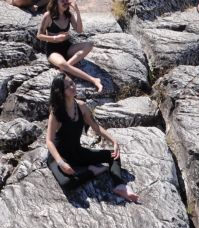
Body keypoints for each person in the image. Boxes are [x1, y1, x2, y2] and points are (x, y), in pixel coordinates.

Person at [46, 74, 139, 202]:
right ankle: (93, 171)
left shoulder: (82, 107)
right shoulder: (56, 112)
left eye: (72, 83)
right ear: (61, 92)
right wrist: (61, 163)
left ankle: (120, 186)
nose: (72, 87)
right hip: (58, 157)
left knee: (113, 155)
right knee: (68, 184)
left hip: (77, 152)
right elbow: (49, 141)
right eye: (67, 87)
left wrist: (113, 141)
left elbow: (96, 127)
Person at [37, 0, 103, 93]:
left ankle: (66, 66)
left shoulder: (68, 15)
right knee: (62, 64)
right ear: (56, 2)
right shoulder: (49, 15)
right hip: (53, 49)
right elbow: (39, 35)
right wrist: (55, 38)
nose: (66, 3)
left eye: (67, 0)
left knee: (89, 45)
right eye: (62, 1)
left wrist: (77, 11)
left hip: (67, 46)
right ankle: (93, 80)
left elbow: (79, 30)